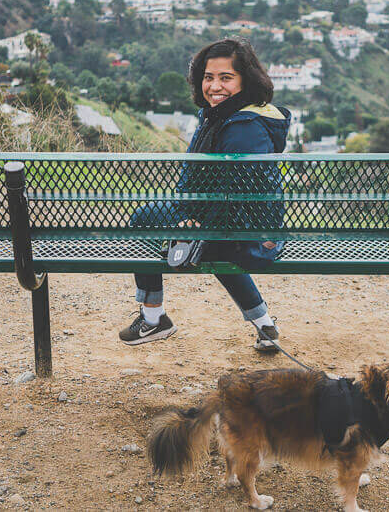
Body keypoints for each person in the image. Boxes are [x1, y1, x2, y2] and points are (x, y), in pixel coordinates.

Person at [119, 38, 292, 352]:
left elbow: (236, 196)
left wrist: (194, 222)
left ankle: (154, 319)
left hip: (246, 233)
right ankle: (264, 324)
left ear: (245, 80)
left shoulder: (243, 127)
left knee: (145, 220)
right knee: (167, 225)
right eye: (209, 77)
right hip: (236, 224)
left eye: (226, 78)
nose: (215, 86)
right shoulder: (225, 115)